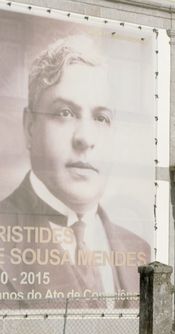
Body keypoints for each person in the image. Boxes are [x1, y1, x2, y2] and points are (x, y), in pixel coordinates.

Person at [0, 35, 150, 302]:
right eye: (64, 113)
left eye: (101, 118)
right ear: (30, 127)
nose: (85, 138)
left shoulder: (139, 249)